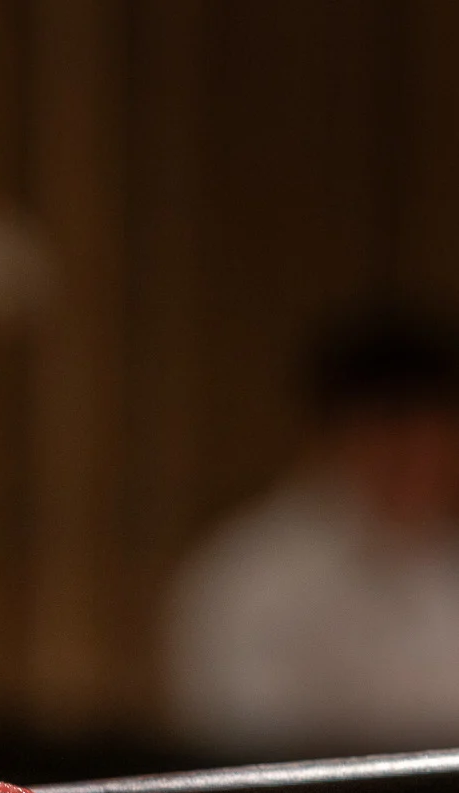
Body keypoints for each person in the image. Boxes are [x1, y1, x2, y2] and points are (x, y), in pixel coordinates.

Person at [168, 310, 459, 756]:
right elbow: (237, 744)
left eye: (430, 433)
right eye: (389, 431)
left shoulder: (444, 567)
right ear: (332, 434)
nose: (413, 456)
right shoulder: (253, 574)